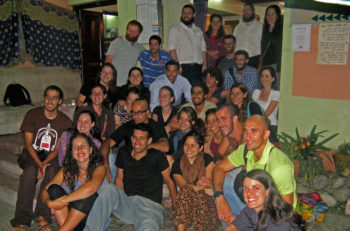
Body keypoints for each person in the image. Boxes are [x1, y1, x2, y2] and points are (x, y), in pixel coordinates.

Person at [83, 123, 178, 231]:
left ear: (149, 141)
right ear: (131, 138)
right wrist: (117, 201)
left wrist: (178, 210)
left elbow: (170, 182)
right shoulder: (124, 152)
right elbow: (119, 178)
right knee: (108, 189)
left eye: (142, 138)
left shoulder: (157, 156)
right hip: (128, 203)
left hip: (149, 208)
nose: (137, 142)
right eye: (135, 137)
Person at [213, 115, 296, 227]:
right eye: (246, 131)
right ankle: (231, 225)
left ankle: (241, 224)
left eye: (254, 131)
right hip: (254, 202)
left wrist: (244, 219)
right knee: (220, 184)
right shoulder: (247, 149)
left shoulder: (279, 166)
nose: (248, 136)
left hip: (274, 215)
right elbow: (219, 168)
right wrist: (219, 198)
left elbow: (284, 210)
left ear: (266, 134)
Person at [10, 85, 72, 231]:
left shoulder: (65, 121)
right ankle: (21, 220)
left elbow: (57, 149)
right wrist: (39, 164)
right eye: (47, 96)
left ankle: (43, 217)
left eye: (54, 97)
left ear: (60, 101)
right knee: (30, 172)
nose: (50, 101)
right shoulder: (32, 114)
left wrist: (44, 164)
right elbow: (28, 144)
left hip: (51, 156)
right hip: (31, 154)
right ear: (44, 98)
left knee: (51, 173)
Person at [41, 133, 106, 231]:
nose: (79, 150)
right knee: (53, 189)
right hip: (74, 218)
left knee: (87, 194)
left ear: (91, 149)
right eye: (75, 147)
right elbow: (45, 191)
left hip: (93, 219)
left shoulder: (100, 168)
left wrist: (62, 201)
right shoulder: (67, 170)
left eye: (83, 146)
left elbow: (90, 189)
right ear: (71, 152)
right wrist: (49, 203)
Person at [101, 98, 169, 182]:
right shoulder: (129, 125)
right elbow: (107, 143)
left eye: (139, 112)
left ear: (147, 112)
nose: (135, 116)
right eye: (133, 112)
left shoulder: (155, 126)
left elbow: (165, 146)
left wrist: (140, 149)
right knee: (110, 157)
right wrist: (105, 164)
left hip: (148, 165)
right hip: (128, 164)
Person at [226, 170, 305, 231]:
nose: (249, 193)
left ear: (267, 191)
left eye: (256, 188)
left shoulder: (280, 222)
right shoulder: (251, 210)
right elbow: (232, 227)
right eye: (245, 188)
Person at [171, 131, 219, 231]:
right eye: (186, 145)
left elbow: (208, 188)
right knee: (186, 192)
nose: (188, 149)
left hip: (205, 205)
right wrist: (201, 187)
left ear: (200, 148)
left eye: (193, 145)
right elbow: (185, 186)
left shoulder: (207, 159)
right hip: (186, 207)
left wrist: (202, 187)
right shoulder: (177, 164)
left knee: (199, 194)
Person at [168, 4, 207, 85]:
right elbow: (172, 50)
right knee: (184, 95)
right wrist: (177, 66)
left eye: (188, 13)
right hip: (183, 68)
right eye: (184, 13)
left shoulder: (198, 30)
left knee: (196, 94)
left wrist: (205, 65)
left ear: (194, 15)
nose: (186, 15)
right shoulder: (175, 29)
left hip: (198, 68)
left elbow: (203, 49)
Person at [106, 20, 145, 86]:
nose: (131, 33)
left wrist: (166, 52)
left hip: (129, 85)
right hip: (114, 84)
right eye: (129, 30)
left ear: (139, 33)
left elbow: (151, 54)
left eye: (134, 31)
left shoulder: (139, 47)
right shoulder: (117, 42)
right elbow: (108, 61)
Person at [252, 66, 280, 143]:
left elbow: (266, 114)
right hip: (256, 124)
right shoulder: (256, 92)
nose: (264, 78)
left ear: (273, 79)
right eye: (262, 76)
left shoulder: (276, 94)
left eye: (267, 76)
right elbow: (252, 109)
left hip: (270, 125)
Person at [233, 2, 262, 68]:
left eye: (248, 10)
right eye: (244, 10)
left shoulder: (260, 26)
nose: (246, 12)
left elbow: (262, 45)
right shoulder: (238, 27)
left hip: (254, 60)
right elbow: (234, 44)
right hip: (239, 61)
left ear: (253, 11)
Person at [261, 5, 283, 90]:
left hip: (275, 65)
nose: (269, 17)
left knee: (276, 88)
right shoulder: (265, 30)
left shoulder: (281, 31)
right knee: (265, 88)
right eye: (268, 14)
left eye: (272, 14)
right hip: (265, 64)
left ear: (277, 16)